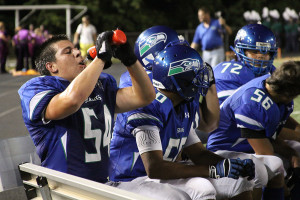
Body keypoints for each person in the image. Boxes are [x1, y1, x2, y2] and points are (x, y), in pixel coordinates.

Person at [109, 43, 255, 200]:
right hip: (130, 179)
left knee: (240, 181)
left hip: (162, 175)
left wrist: (230, 165)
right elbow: (155, 168)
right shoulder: (148, 106)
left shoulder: (184, 103)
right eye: (196, 74)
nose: (202, 79)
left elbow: (198, 153)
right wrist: (213, 170)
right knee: (201, 190)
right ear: (179, 80)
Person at [18, 32, 155, 183]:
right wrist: (100, 59)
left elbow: (145, 96)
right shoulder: (36, 88)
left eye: (76, 49)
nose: (78, 52)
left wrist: (130, 60)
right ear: (52, 67)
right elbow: (71, 101)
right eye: (68, 52)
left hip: (101, 185)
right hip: (65, 188)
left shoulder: (99, 85)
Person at [207, 61, 300, 200]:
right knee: (274, 166)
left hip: (249, 143)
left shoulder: (272, 87)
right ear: (289, 93)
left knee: (295, 152)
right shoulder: (252, 104)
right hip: (223, 150)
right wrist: (287, 192)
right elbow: (265, 153)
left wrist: (292, 153)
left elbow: (270, 134)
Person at [213, 23, 277, 105]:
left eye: (266, 52)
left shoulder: (273, 72)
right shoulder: (230, 74)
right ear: (240, 51)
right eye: (254, 52)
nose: (260, 56)